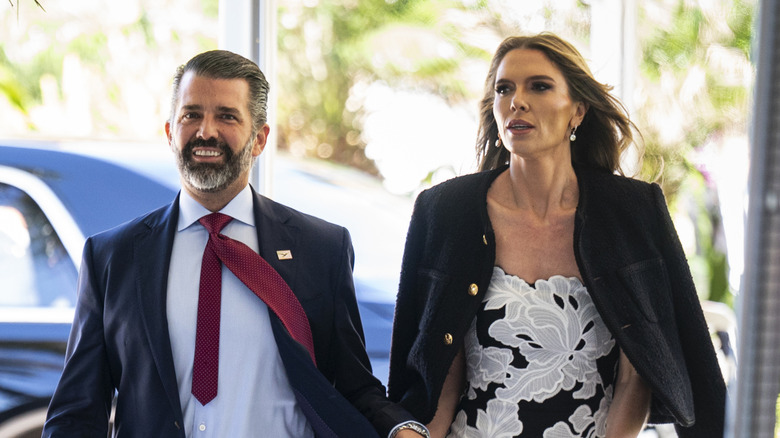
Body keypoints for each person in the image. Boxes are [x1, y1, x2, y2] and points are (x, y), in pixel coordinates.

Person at [43, 50, 428, 438]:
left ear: (259, 139)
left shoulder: (321, 248)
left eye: (226, 116)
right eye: (191, 114)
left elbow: (353, 386)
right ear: (169, 132)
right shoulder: (112, 256)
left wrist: (402, 429)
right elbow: (78, 408)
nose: (205, 131)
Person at [387, 33, 726, 438]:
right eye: (504, 89)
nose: (517, 101)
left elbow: (636, 376)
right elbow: (439, 375)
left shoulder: (631, 212)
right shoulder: (445, 211)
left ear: (577, 111)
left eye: (539, 86)